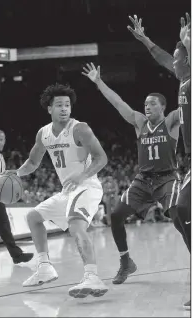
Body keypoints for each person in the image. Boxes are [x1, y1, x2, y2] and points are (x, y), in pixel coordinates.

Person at [82, 63, 181, 285]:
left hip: (167, 178)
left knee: (178, 215)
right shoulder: (139, 122)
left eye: (152, 104)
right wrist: (99, 82)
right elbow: (118, 102)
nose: (147, 106)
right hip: (143, 180)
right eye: (145, 103)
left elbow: (187, 101)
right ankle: (126, 262)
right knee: (115, 216)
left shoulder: (172, 120)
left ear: (163, 107)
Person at [7, 84, 108, 298]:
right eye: (59, 105)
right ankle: (44, 266)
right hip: (68, 191)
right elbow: (33, 162)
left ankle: (92, 276)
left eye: (67, 105)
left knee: (75, 225)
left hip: (87, 186)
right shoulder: (43, 133)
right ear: (49, 108)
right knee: (33, 217)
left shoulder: (80, 128)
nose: (64, 109)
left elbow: (102, 158)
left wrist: (82, 175)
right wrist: (16, 173)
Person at [128, 14, 191, 310]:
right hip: (190, 159)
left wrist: (189, 42)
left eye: (181, 56)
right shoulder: (182, 80)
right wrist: (145, 40)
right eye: (177, 57)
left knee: (183, 214)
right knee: (181, 214)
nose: (174, 61)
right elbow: (164, 57)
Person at [0, 130, 34, 264]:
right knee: (3, 225)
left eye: (1, 139)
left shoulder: (0, 157)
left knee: (4, 226)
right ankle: (16, 255)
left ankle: (16, 255)